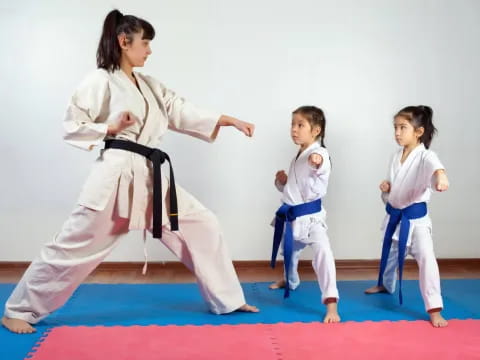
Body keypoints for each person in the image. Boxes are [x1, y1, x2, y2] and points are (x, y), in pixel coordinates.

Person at [2, 9, 259, 334]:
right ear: (125, 42)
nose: (149, 51)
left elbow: (180, 110)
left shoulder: (149, 84)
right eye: (145, 43)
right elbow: (72, 123)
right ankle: (19, 310)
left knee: (203, 225)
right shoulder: (100, 80)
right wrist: (109, 127)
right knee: (72, 245)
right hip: (116, 178)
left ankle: (228, 299)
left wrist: (227, 120)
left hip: (152, 178)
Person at [364, 105, 449, 328]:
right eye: (395, 128)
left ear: (418, 132)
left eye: (403, 127)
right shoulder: (396, 156)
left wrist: (441, 176)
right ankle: (385, 284)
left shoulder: (425, 156)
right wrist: (386, 188)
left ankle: (434, 308)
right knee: (390, 255)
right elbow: (394, 189)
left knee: (427, 261)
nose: (397, 133)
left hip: (416, 222)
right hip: (396, 217)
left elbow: (435, 166)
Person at [270, 106, 340, 323]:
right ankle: (289, 280)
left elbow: (320, 164)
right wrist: (282, 182)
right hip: (292, 216)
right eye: (293, 124)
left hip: (312, 220)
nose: (294, 129)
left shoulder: (318, 153)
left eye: (300, 125)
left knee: (323, 255)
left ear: (316, 130)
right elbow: (293, 191)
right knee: (289, 254)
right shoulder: (299, 155)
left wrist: (317, 162)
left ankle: (331, 304)